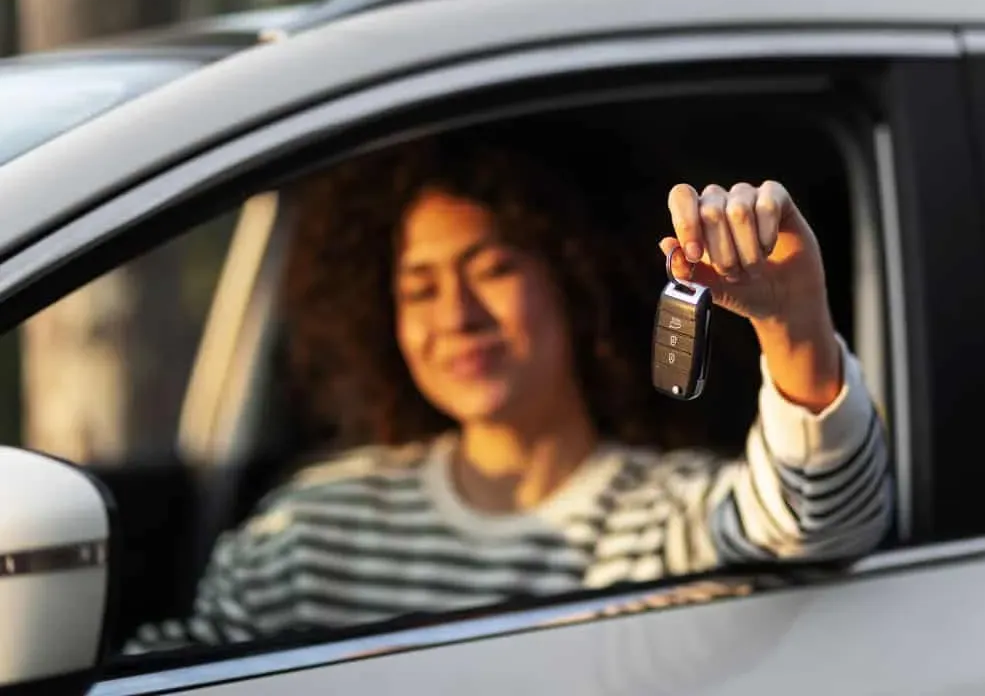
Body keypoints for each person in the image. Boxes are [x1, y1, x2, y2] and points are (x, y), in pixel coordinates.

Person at [124, 130, 892, 654]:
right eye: (419, 288)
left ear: (573, 282)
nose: (455, 317)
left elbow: (821, 520)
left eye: (492, 271)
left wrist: (793, 322)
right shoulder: (308, 531)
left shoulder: (669, 519)